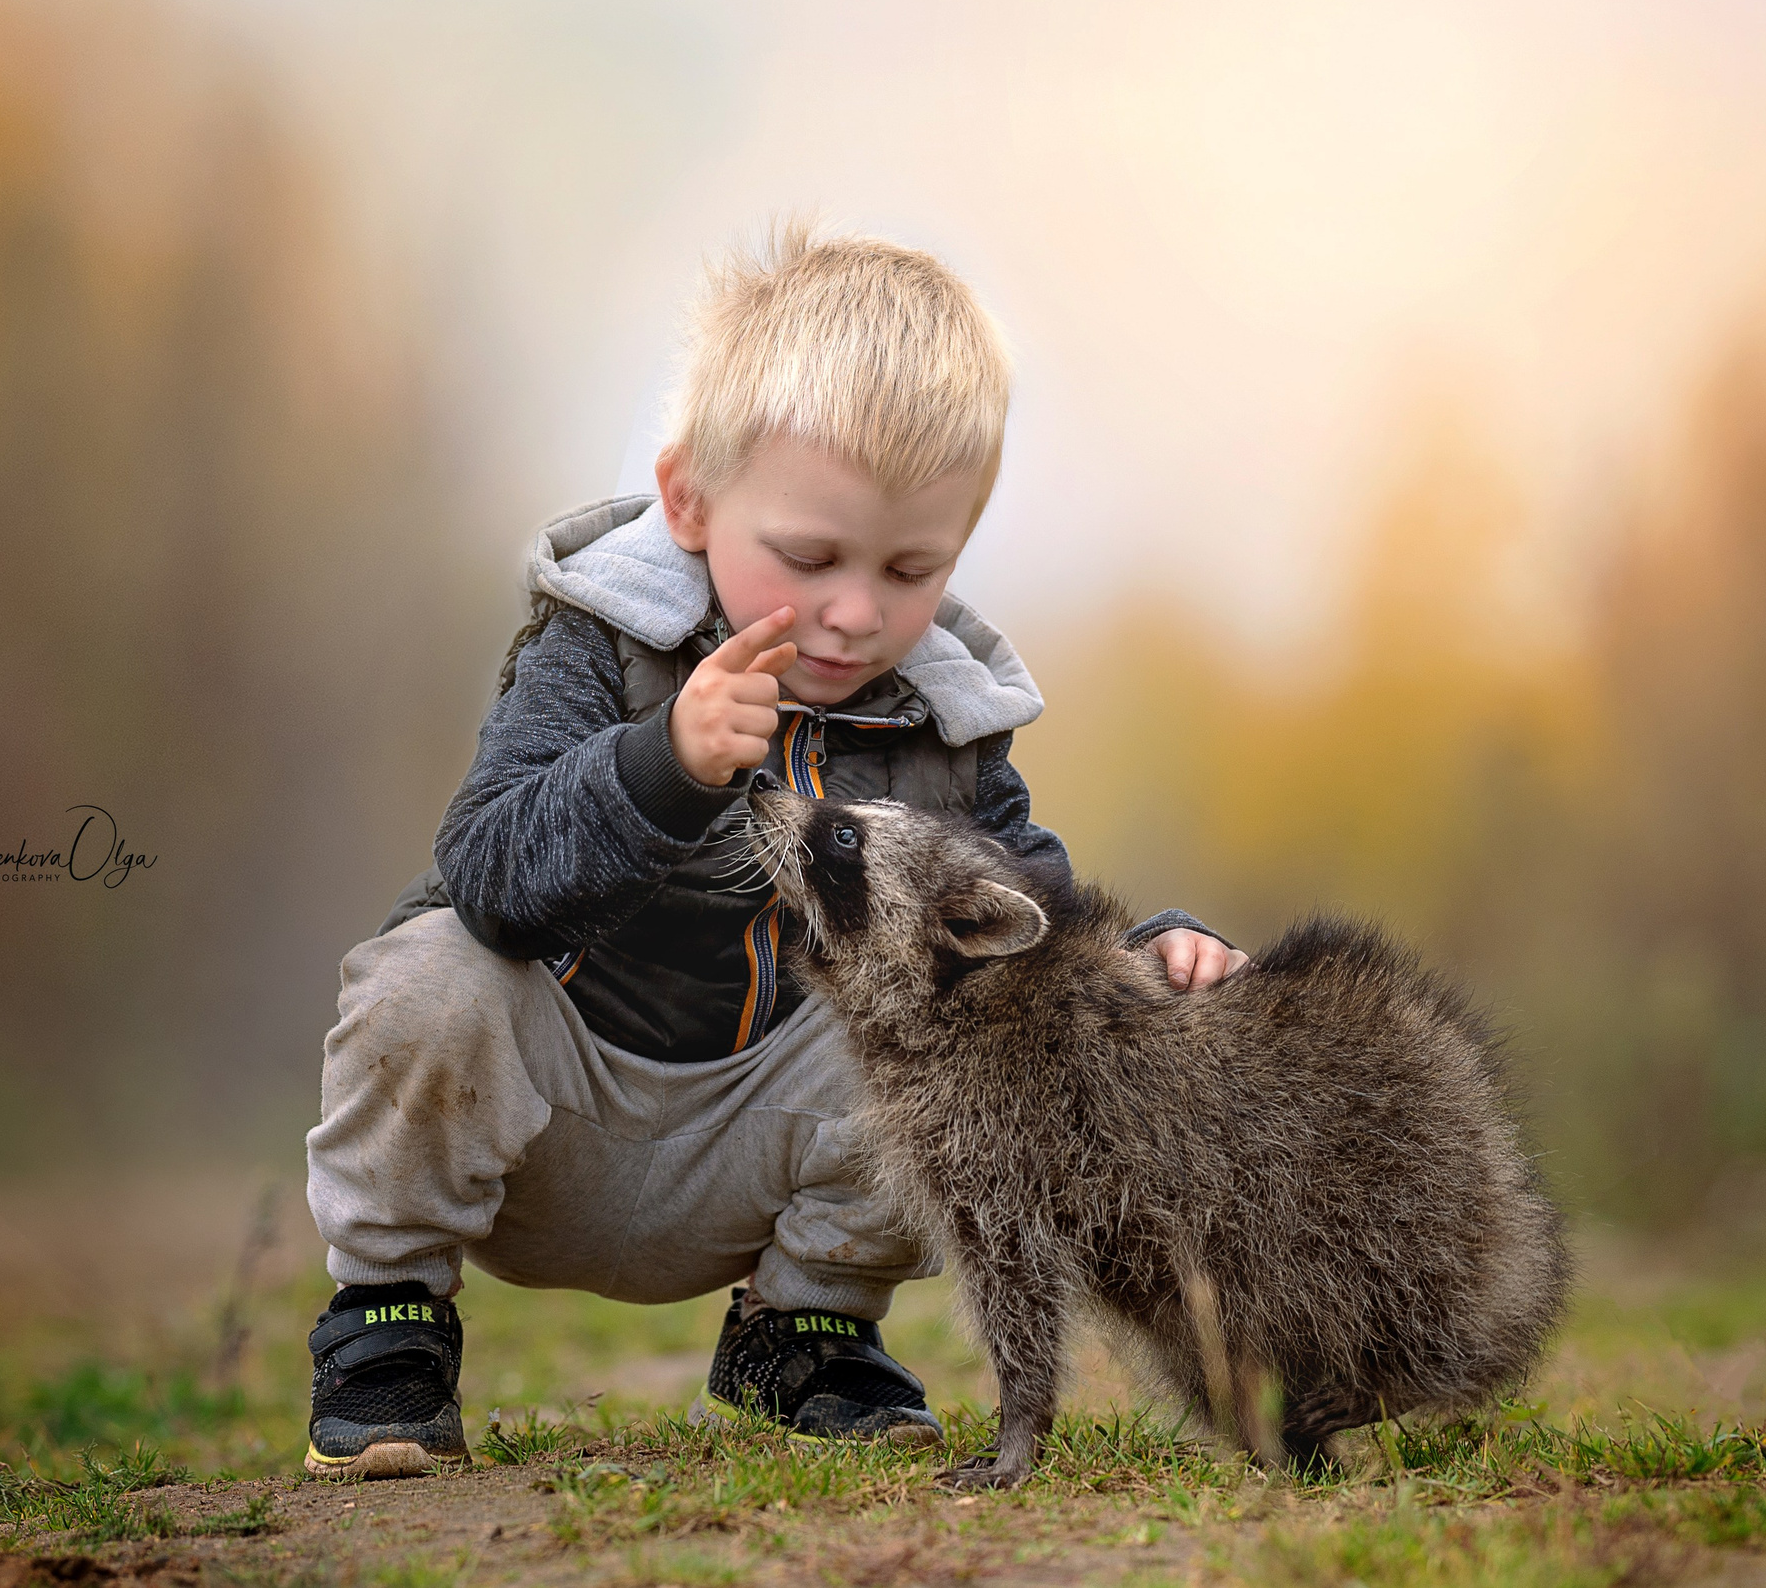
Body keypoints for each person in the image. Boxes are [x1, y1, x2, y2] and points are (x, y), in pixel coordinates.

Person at [300, 221, 1245, 1479]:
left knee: (966, 1032)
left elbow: (1026, 911)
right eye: (811, 557)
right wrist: (663, 763)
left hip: (763, 1144)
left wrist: (1143, 949)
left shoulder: (939, 715)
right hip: (545, 1124)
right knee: (424, 977)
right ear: (689, 498)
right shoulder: (602, 647)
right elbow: (489, 873)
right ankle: (389, 1323)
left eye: (914, 567)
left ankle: (803, 1325)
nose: (860, 610)